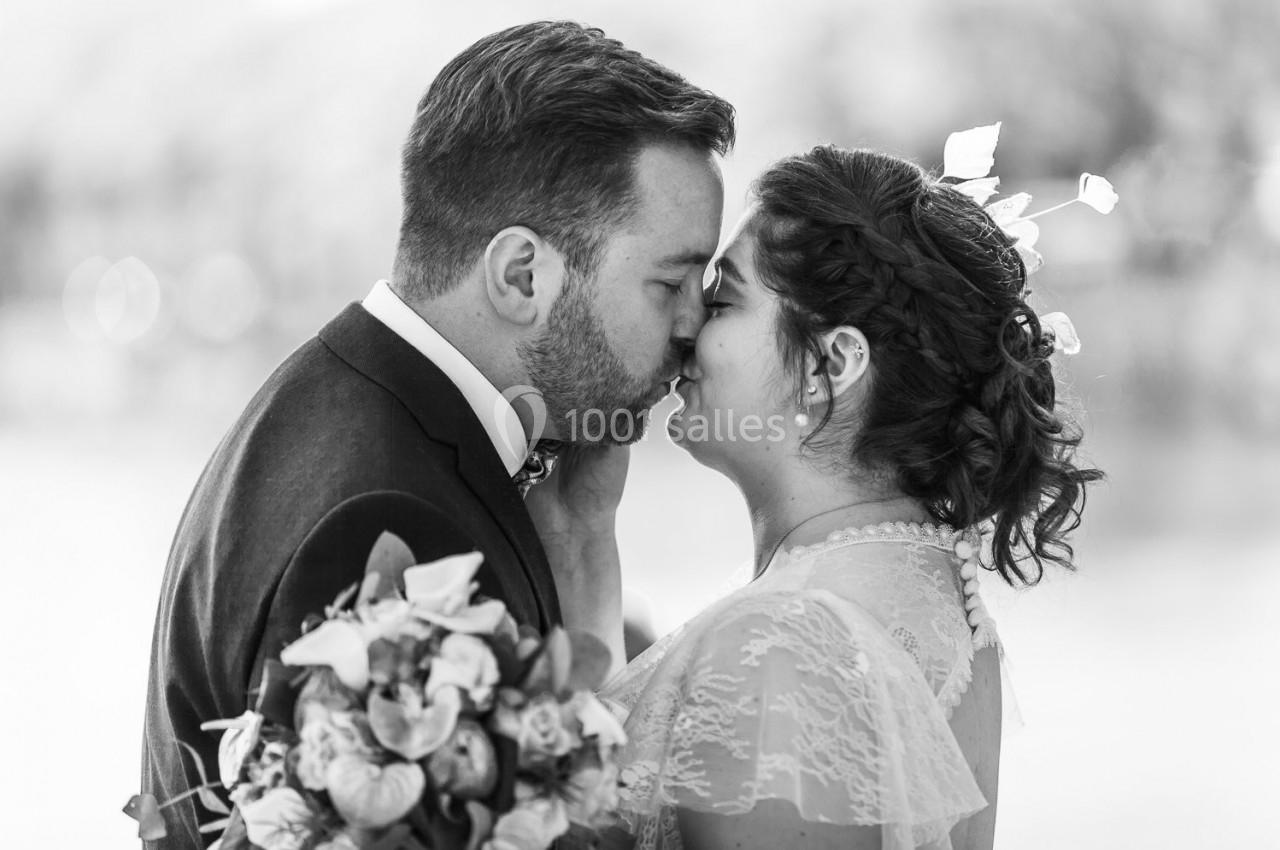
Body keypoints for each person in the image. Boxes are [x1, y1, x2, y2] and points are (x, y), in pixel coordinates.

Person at [141, 21, 733, 847]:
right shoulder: (386, 519)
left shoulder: (336, 395)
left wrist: (583, 542)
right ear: (522, 273)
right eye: (671, 283)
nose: (695, 325)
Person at [547, 145, 1103, 850]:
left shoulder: (781, 640)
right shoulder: (932, 596)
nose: (684, 330)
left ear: (831, 363)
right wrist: (586, 531)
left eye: (722, 301)